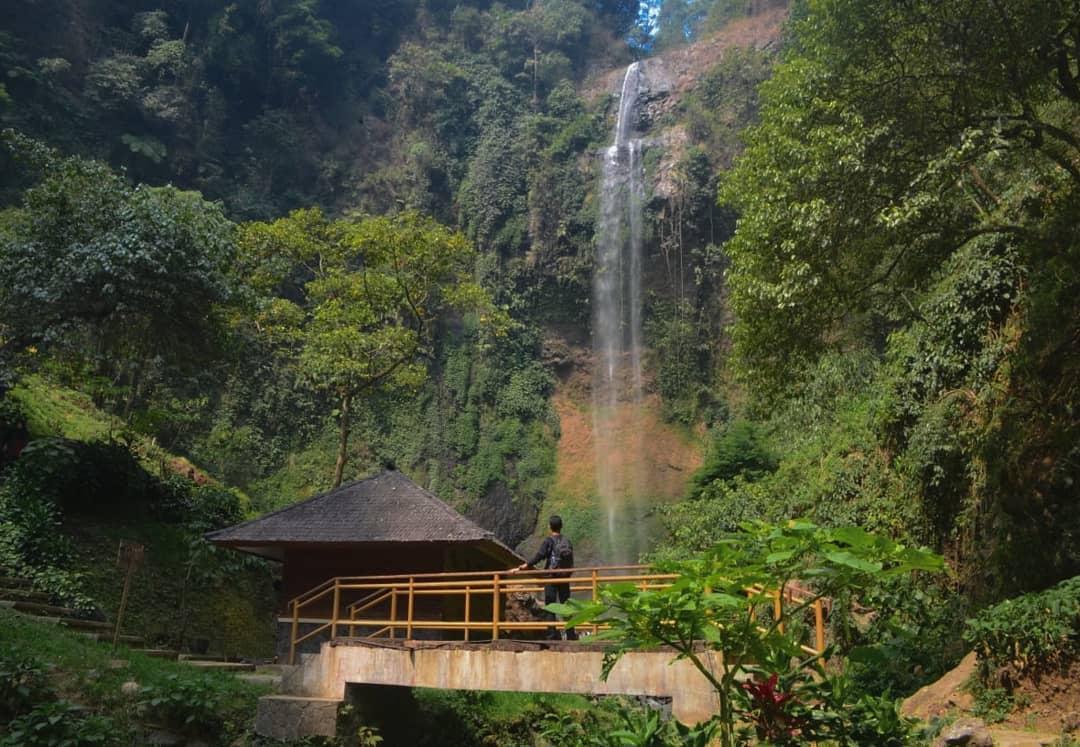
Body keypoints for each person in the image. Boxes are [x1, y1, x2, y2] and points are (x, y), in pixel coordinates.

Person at [510, 515, 578, 640]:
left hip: (551, 577)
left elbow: (539, 556)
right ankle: (571, 635)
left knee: (550, 606)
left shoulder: (549, 541)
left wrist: (522, 567)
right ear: (561, 526)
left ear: (549, 526)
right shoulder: (567, 541)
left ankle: (552, 636)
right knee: (566, 606)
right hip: (564, 577)